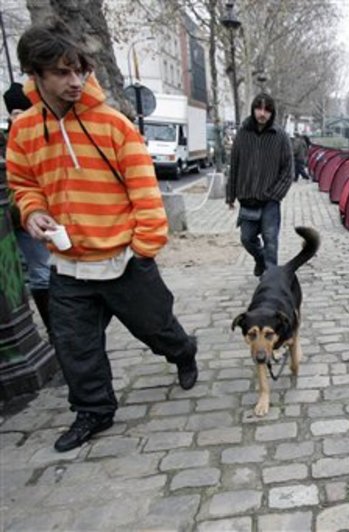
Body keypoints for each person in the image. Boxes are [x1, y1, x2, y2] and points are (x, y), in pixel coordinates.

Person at [6, 21, 198, 453]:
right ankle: (93, 410)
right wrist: (32, 211)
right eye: (61, 72)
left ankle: (184, 352)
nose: (75, 81)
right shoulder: (24, 131)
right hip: (68, 264)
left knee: (158, 328)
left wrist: (144, 249)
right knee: (75, 346)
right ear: (35, 74)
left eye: (79, 70)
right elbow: (23, 183)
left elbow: (144, 189)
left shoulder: (112, 124)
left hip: (122, 259)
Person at [226, 93, 293, 277]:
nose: (262, 113)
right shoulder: (242, 134)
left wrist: (274, 195)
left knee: (271, 241)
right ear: (253, 109)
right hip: (247, 198)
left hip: (270, 201)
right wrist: (230, 196)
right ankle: (260, 260)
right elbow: (234, 166)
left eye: (266, 110)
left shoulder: (280, 136)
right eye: (259, 108)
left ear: (272, 113)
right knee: (247, 238)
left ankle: (271, 279)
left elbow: (288, 171)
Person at [4, 82, 52, 338]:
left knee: (48, 270)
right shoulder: (9, 139)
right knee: (40, 272)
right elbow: (19, 182)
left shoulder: (41, 132)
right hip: (21, 218)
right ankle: (56, 330)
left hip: (49, 215)